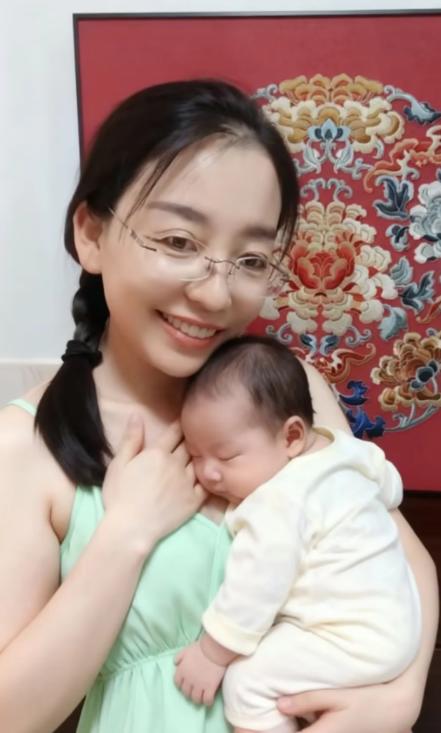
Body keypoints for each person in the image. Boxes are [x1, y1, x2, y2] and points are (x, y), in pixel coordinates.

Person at [0, 79, 437, 733]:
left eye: (252, 258)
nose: (215, 294)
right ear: (91, 233)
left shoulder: (287, 391)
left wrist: (399, 696)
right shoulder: (25, 444)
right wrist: (127, 533)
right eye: (180, 242)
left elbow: (400, 558)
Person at [174, 334, 421, 733]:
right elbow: (389, 484)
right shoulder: (346, 451)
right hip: (402, 625)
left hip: (348, 638)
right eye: (196, 455)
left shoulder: (277, 501)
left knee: (247, 681)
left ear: (291, 437)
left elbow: (256, 586)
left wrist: (211, 654)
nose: (208, 473)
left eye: (226, 456)